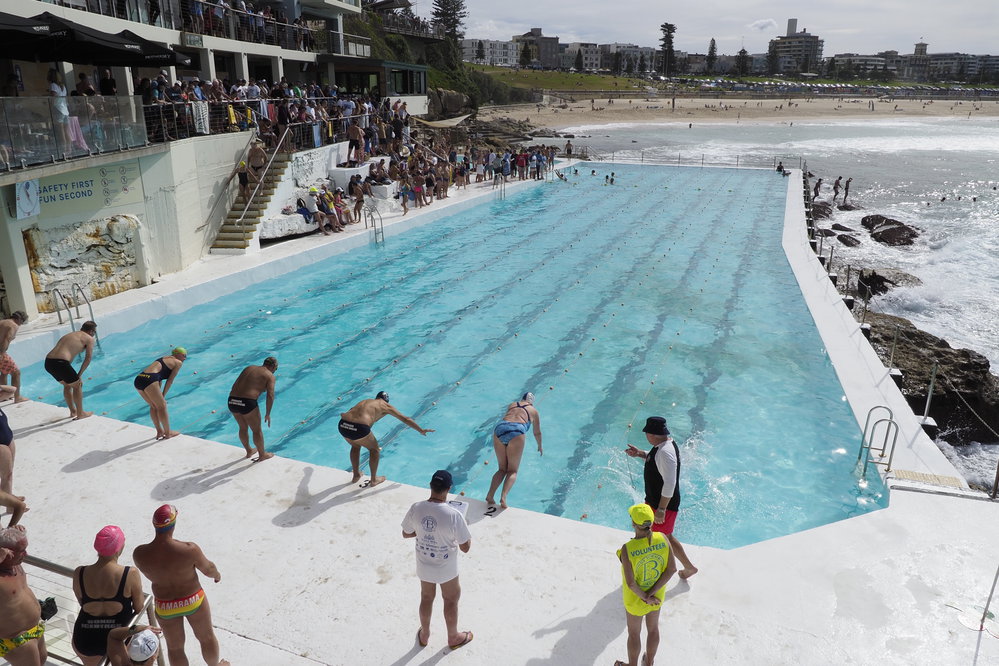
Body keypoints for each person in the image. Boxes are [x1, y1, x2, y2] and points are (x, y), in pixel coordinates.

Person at [132, 505, 230, 666]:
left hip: (165, 605)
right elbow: (208, 569)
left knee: (175, 648)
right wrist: (217, 575)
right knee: (206, 637)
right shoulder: (189, 550)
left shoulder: (140, 554)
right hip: (192, 599)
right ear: (174, 523)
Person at [401, 470, 473, 651]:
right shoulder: (454, 514)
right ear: (449, 489)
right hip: (446, 568)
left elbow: (406, 533)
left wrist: (426, 532)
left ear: (431, 486)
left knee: (426, 598)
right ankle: (453, 637)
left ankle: (424, 634)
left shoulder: (416, 507)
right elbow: (465, 547)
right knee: (450, 600)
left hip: (424, 563)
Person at [623, 416, 697, 580]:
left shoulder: (665, 452)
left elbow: (670, 484)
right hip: (656, 501)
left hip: (663, 504)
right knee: (657, 534)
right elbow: (656, 458)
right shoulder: (663, 445)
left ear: (652, 435)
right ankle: (663, 564)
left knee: (666, 537)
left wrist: (662, 509)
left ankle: (687, 567)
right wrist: (641, 454)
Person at [72, 526, 145, 666]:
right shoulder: (130, 574)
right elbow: (139, 607)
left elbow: (82, 602)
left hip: (85, 637)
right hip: (119, 638)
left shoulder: (79, 573)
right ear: (119, 547)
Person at [614, 504, 676, 666]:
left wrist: (645, 597)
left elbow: (631, 583)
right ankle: (649, 663)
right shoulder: (663, 538)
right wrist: (652, 594)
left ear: (634, 524)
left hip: (636, 600)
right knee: (653, 630)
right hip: (657, 597)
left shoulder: (627, 549)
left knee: (634, 634)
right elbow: (672, 569)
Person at [338, 391, 433, 487]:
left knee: (355, 445)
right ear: (386, 401)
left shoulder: (366, 401)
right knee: (374, 450)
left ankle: (356, 475)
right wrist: (420, 430)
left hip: (343, 424)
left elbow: (350, 411)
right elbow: (406, 419)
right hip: (359, 428)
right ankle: (374, 480)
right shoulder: (385, 405)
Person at [0, 525, 48, 666]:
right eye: (22, 551)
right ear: (7, 552)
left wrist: (12, 527)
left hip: (35, 629)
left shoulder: (14, 564)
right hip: (16, 640)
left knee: (43, 659)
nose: (26, 554)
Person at [485, 392, 542, 508]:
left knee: (501, 469)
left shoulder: (512, 404)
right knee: (512, 471)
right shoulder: (534, 411)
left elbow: (508, 418)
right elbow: (537, 432)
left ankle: (490, 495)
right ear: (532, 403)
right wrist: (539, 445)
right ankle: (503, 497)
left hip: (500, 428)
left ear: (522, 399)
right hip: (516, 431)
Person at [226, 357, 277, 462]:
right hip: (247, 403)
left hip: (232, 400)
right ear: (273, 367)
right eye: (275, 370)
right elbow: (270, 395)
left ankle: (249, 451)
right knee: (257, 430)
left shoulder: (249, 368)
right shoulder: (269, 375)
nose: (274, 372)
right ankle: (262, 455)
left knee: (242, 427)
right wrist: (268, 413)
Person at [44, 320, 97, 419]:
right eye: (94, 332)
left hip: (48, 362)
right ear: (91, 331)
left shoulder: (70, 335)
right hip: (60, 363)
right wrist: (79, 375)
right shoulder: (89, 338)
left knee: (67, 385)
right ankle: (80, 414)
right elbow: (88, 358)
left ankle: (73, 412)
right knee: (77, 385)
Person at [134, 347, 187, 440]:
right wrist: (163, 395)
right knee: (162, 406)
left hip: (139, 378)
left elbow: (159, 377)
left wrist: (160, 395)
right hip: (150, 379)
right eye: (184, 355)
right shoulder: (178, 363)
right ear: (178, 354)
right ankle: (168, 433)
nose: (185, 358)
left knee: (154, 405)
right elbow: (170, 381)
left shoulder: (165, 358)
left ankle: (159, 431)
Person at [0, 311, 28, 403]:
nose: (21, 324)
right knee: (16, 373)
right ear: (19, 319)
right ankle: (17, 397)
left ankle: (4, 395)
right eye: (22, 322)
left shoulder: (2, 322)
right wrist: (2, 353)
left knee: (4, 372)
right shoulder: (13, 325)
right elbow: (6, 338)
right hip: (0, 352)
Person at [0, 386, 18, 498]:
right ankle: (11, 506)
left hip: (8, 436)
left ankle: (9, 498)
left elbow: (12, 391)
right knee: (6, 475)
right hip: (1, 444)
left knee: (8, 474)